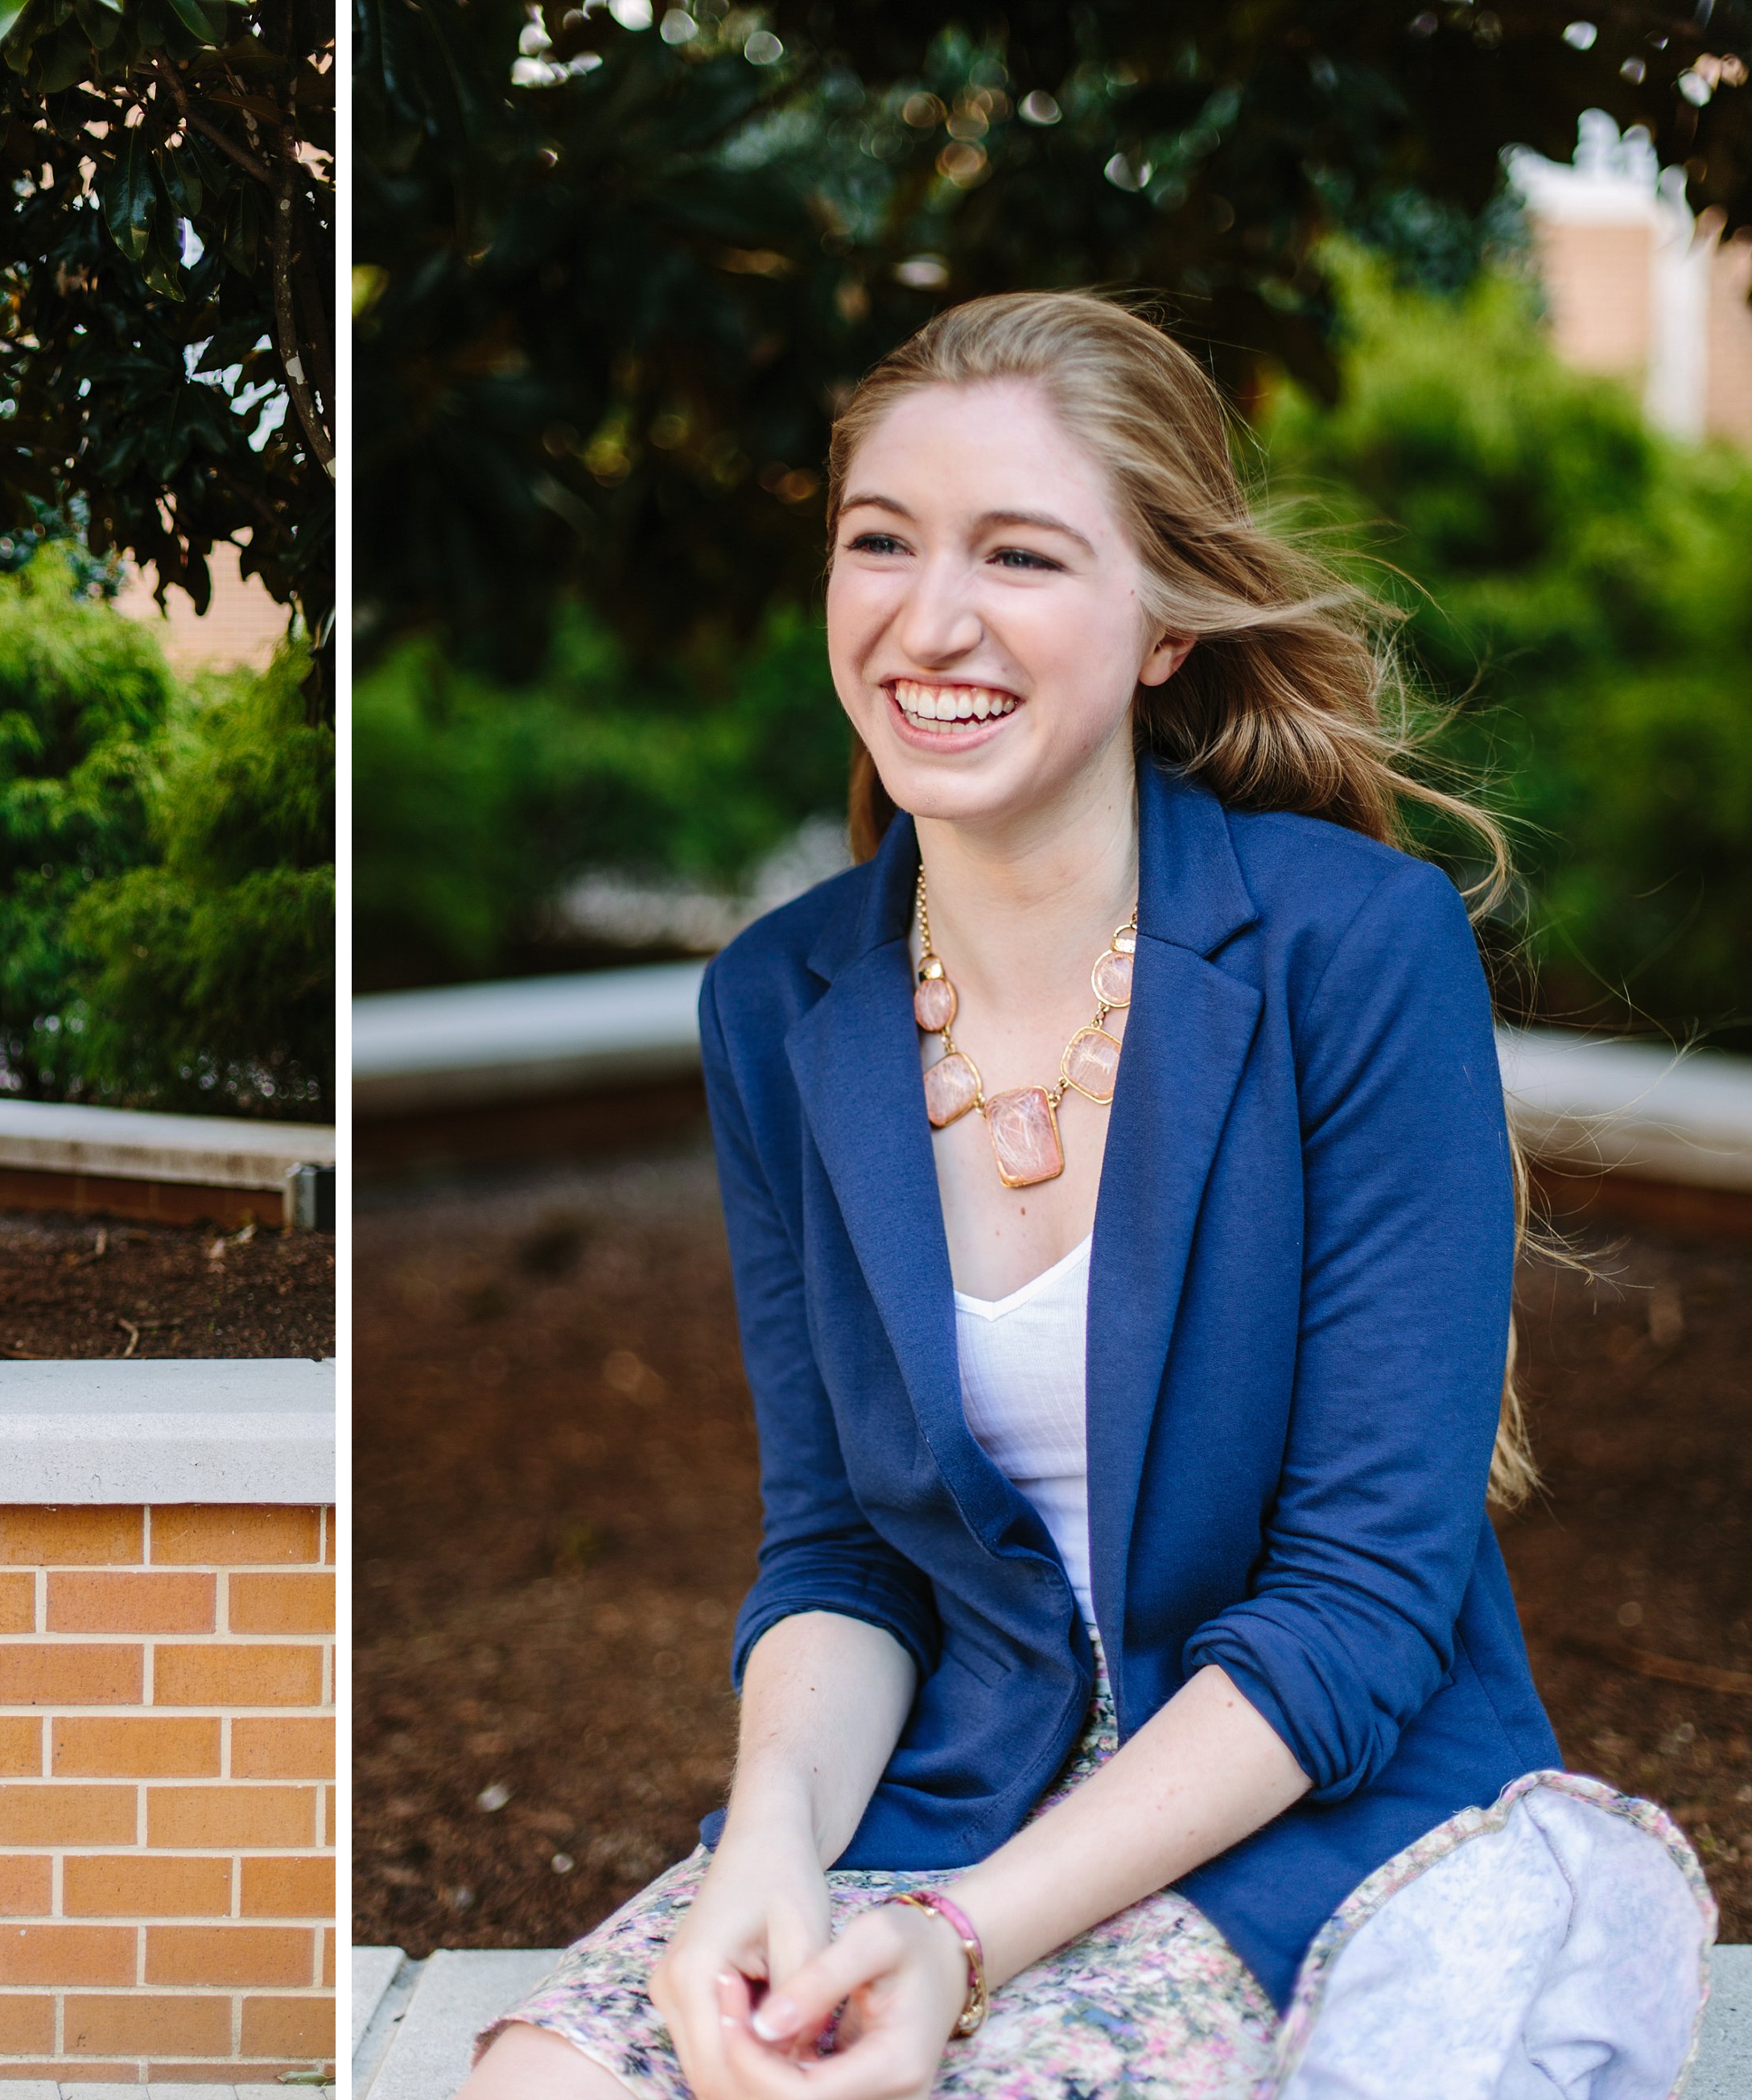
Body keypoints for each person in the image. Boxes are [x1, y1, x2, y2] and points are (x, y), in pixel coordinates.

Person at [464, 294, 1713, 2100]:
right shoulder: (775, 1002)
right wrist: (761, 1849)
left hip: (1297, 1805)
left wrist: (961, 1942)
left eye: (1021, 555)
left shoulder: (1353, 950)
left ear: (1164, 626)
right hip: (951, 1783)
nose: (928, 618)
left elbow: (1361, 1602)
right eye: (877, 541)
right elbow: (839, 1554)